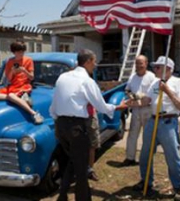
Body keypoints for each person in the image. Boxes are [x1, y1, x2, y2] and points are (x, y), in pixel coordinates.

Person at [49, 49, 127, 201]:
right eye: (94, 61)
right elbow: (102, 106)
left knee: (73, 161)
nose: (96, 65)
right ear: (88, 62)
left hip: (61, 126)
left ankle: (63, 196)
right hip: (76, 128)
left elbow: (54, 105)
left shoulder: (63, 77)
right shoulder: (87, 81)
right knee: (81, 169)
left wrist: (57, 119)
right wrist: (118, 107)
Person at [132, 56, 180, 200]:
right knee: (145, 154)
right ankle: (146, 182)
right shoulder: (155, 82)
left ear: (168, 69)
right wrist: (132, 102)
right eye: (155, 66)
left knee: (172, 156)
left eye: (158, 67)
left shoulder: (178, 82)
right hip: (152, 121)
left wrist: (167, 90)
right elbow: (147, 100)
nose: (154, 69)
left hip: (168, 122)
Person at [0, 40, 44, 124]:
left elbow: (31, 77)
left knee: (11, 95)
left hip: (24, 86)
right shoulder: (9, 62)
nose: (21, 54)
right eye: (19, 52)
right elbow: (9, 79)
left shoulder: (28, 60)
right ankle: (19, 98)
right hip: (13, 86)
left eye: (22, 52)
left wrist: (24, 71)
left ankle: (34, 113)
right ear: (14, 52)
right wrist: (12, 71)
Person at [121, 55, 155, 166]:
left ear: (146, 63)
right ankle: (130, 158)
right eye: (137, 63)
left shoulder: (151, 77)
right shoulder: (133, 77)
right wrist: (131, 96)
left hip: (148, 109)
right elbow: (127, 90)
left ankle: (147, 159)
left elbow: (155, 93)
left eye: (141, 63)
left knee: (147, 135)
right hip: (136, 109)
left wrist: (144, 97)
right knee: (132, 134)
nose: (139, 66)